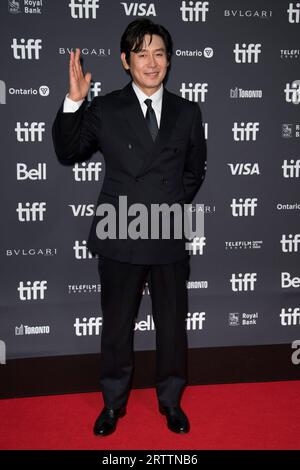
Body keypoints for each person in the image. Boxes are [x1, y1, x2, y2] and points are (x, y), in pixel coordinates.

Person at [52, 19, 207, 436]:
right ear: (125, 61)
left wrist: (167, 205)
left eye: (158, 53)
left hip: (168, 230)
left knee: (173, 327)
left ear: (169, 60)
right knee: (117, 326)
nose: (151, 62)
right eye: (141, 53)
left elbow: (195, 170)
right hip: (119, 229)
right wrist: (73, 101)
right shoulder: (104, 108)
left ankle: (171, 402)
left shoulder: (188, 111)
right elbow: (68, 151)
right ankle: (112, 404)